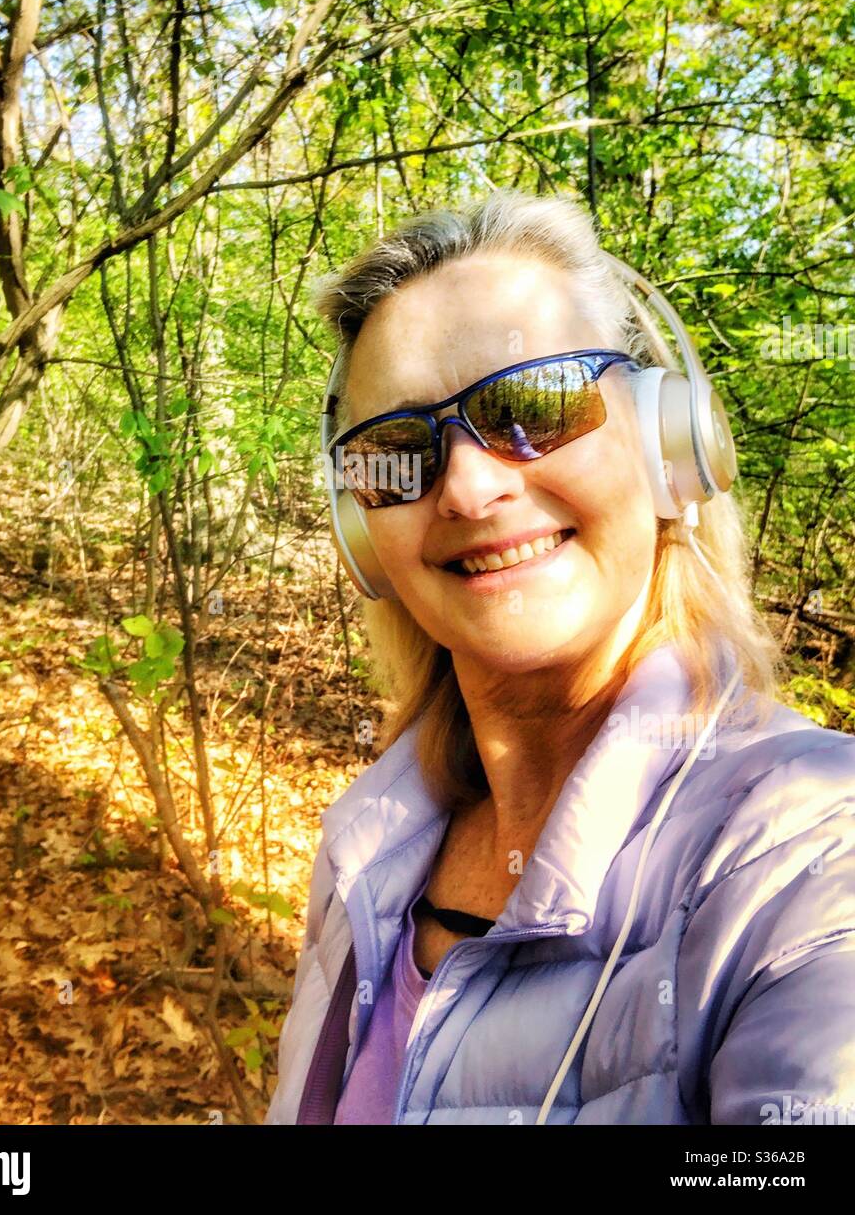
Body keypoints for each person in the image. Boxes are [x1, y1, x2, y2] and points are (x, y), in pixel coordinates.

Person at [265, 190, 855, 1126]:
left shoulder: (810, 855)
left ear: (672, 445)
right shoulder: (366, 847)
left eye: (534, 404)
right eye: (395, 453)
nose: (466, 486)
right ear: (361, 533)